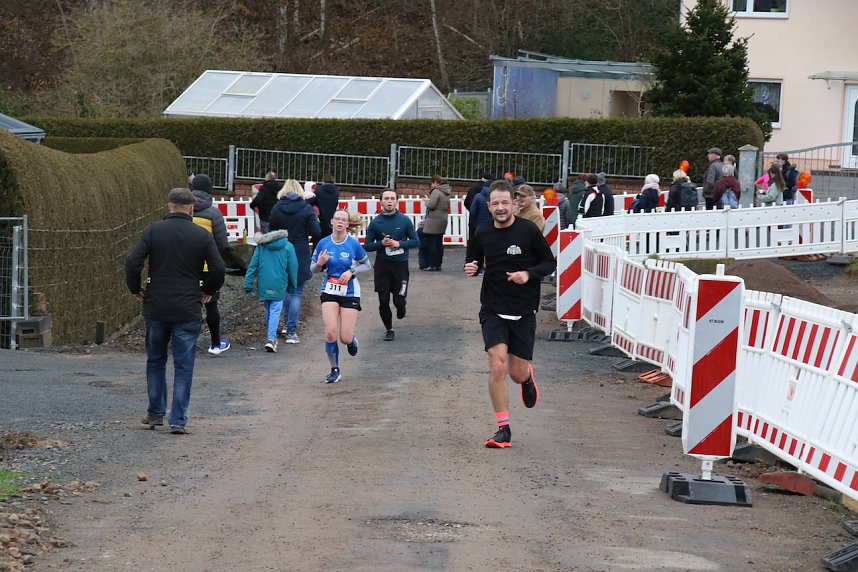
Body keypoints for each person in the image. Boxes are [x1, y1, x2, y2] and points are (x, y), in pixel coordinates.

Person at [464, 180, 556, 449]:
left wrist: (528, 273)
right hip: (492, 307)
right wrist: (473, 268)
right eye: (496, 204)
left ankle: (527, 378)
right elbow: (475, 261)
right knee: (496, 363)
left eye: (505, 202)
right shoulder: (481, 233)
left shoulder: (528, 231)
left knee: (515, 373)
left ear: (514, 204)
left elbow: (549, 262)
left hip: (523, 309)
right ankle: (503, 428)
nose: (501, 208)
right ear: (489, 206)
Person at [125, 188, 225, 435]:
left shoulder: (153, 230)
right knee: (183, 365)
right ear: (191, 208)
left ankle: (155, 413)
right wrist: (208, 291)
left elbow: (132, 262)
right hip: (187, 306)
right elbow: (218, 269)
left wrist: (135, 289)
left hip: (156, 304)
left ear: (169, 206)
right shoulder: (201, 235)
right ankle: (178, 420)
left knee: (156, 360)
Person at [311, 209, 372, 383]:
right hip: (330, 289)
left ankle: (351, 340)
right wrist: (320, 264)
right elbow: (312, 269)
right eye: (336, 218)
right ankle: (334, 369)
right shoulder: (323, 243)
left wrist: (352, 271)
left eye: (343, 220)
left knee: (344, 337)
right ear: (331, 221)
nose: (339, 222)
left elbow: (367, 265)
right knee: (330, 333)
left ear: (347, 224)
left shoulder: (353, 244)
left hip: (350, 291)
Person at [269, 179, 322, 344]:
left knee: (285, 290)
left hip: (281, 251)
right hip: (300, 251)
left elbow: (271, 230)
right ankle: (291, 331)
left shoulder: (277, 208)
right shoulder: (306, 209)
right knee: (297, 292)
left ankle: (285, 325)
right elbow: (317, 231)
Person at [364, 189, 420, 341]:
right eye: (386, 198)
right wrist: (381, 244)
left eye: (392, 199)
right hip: (382, 266)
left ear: (396, 201)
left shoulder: (404, 220)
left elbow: (416, 241)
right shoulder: (375, 223)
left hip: (400, 266)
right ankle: (389, 329)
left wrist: (399, 243)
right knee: (383, 300)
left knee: (398, 301)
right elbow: (367, 246)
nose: (389, 201)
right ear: (381, 201)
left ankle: (401, 306)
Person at [189, 174, 231, 356]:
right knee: (211, 305)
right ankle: (215, 344)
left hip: (185, 266)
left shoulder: (184, 210)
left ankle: (186, 344)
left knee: (188, 305)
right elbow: (222, 244)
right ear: (210, 190)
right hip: (207, 268)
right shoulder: (214, 213)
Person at [243, 225, 298, 353]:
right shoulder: (288, 247)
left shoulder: (262, 246)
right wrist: (292, 285)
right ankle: (271, 338)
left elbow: (253, 266)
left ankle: (271, 336)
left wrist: (248, 283)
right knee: (275, 310)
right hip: (279, 283)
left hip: (264, 283)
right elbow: (292, 268)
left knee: (268, 308)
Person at [417, 175, 451, 271]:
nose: (431, 185)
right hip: (442, 219)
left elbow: (431, 205)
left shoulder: (436, 191)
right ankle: (438, 264)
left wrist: (426, 201)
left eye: (433, 183)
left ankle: (432, 265)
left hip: (433, 220)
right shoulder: (446, 192)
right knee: (439, 243)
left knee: (431, 243)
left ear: (436, 183)